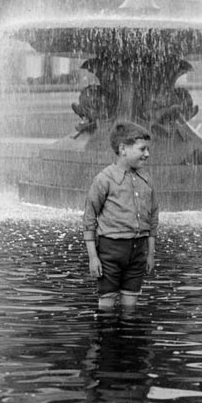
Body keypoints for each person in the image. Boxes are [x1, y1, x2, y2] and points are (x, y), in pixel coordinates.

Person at [83, 121, 158, 311]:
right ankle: (106, 338)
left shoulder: (147, 179)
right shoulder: (104, 179)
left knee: (130, 307)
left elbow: (153, 219)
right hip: (110, 250)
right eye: (142, 149)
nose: (147, 154)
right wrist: (93, 257)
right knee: (106, 305)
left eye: (148, 149)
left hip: (138, 251)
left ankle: (128, 338)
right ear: (123, 149)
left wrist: (150, 254)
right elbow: (89, 219)